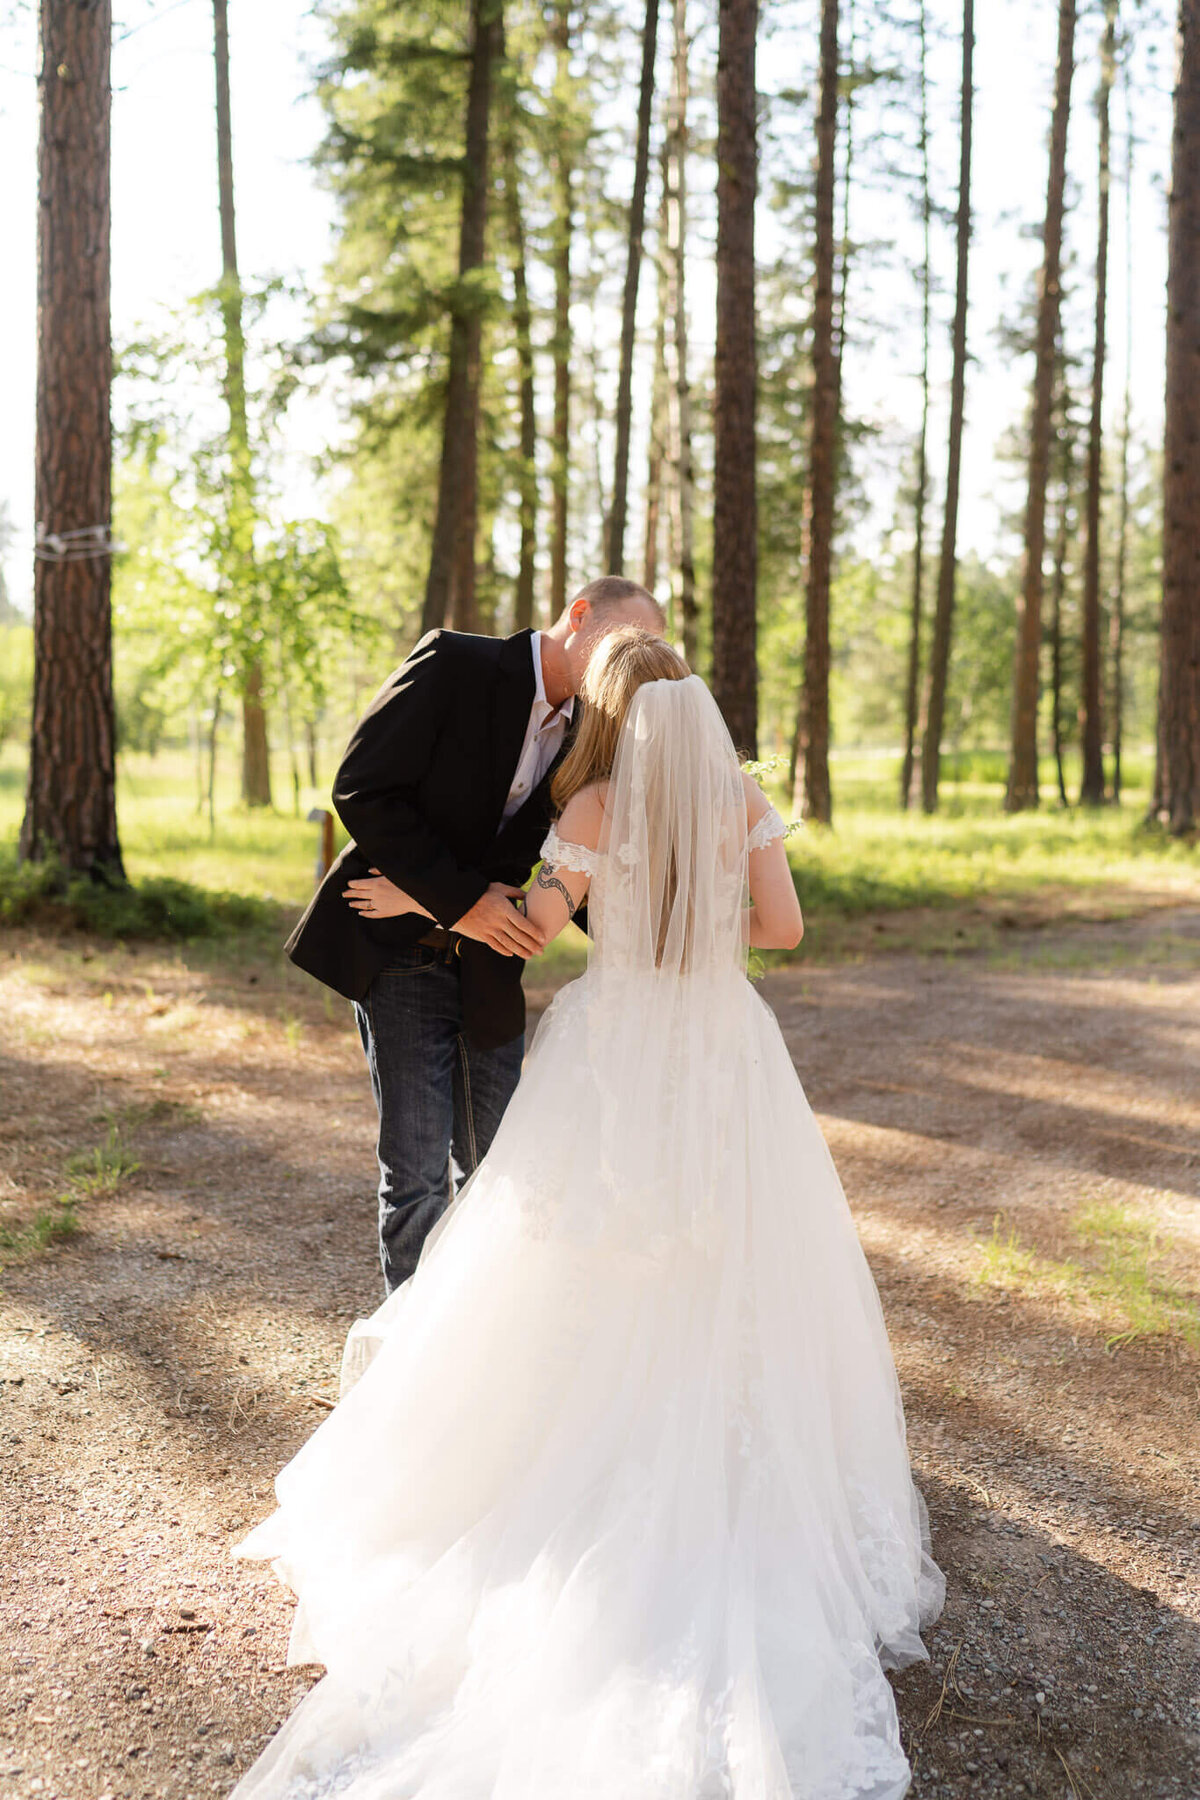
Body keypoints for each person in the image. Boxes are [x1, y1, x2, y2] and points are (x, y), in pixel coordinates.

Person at [232, 628, 945, 1800]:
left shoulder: (601, 805)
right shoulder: (741, 804)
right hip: (722, 1043)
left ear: (618, 715)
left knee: (572, 1241)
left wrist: (458, 891)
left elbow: (531, 914)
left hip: (617, 1038)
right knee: (732, 1245)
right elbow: (785, 929)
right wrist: (697, 925)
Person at [285, 577, 664, 1293]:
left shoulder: (591, 727)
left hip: (492, 965)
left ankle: (489, 1340)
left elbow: (568, 861)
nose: (629, 667)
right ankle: (408, 1357)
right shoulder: (454, 663)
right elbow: (361, 788)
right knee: (418, 1174)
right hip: (399, 958)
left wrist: (658, 934)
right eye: (622, 644)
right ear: (578, 617)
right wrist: (456, 904)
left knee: (505, 1164)